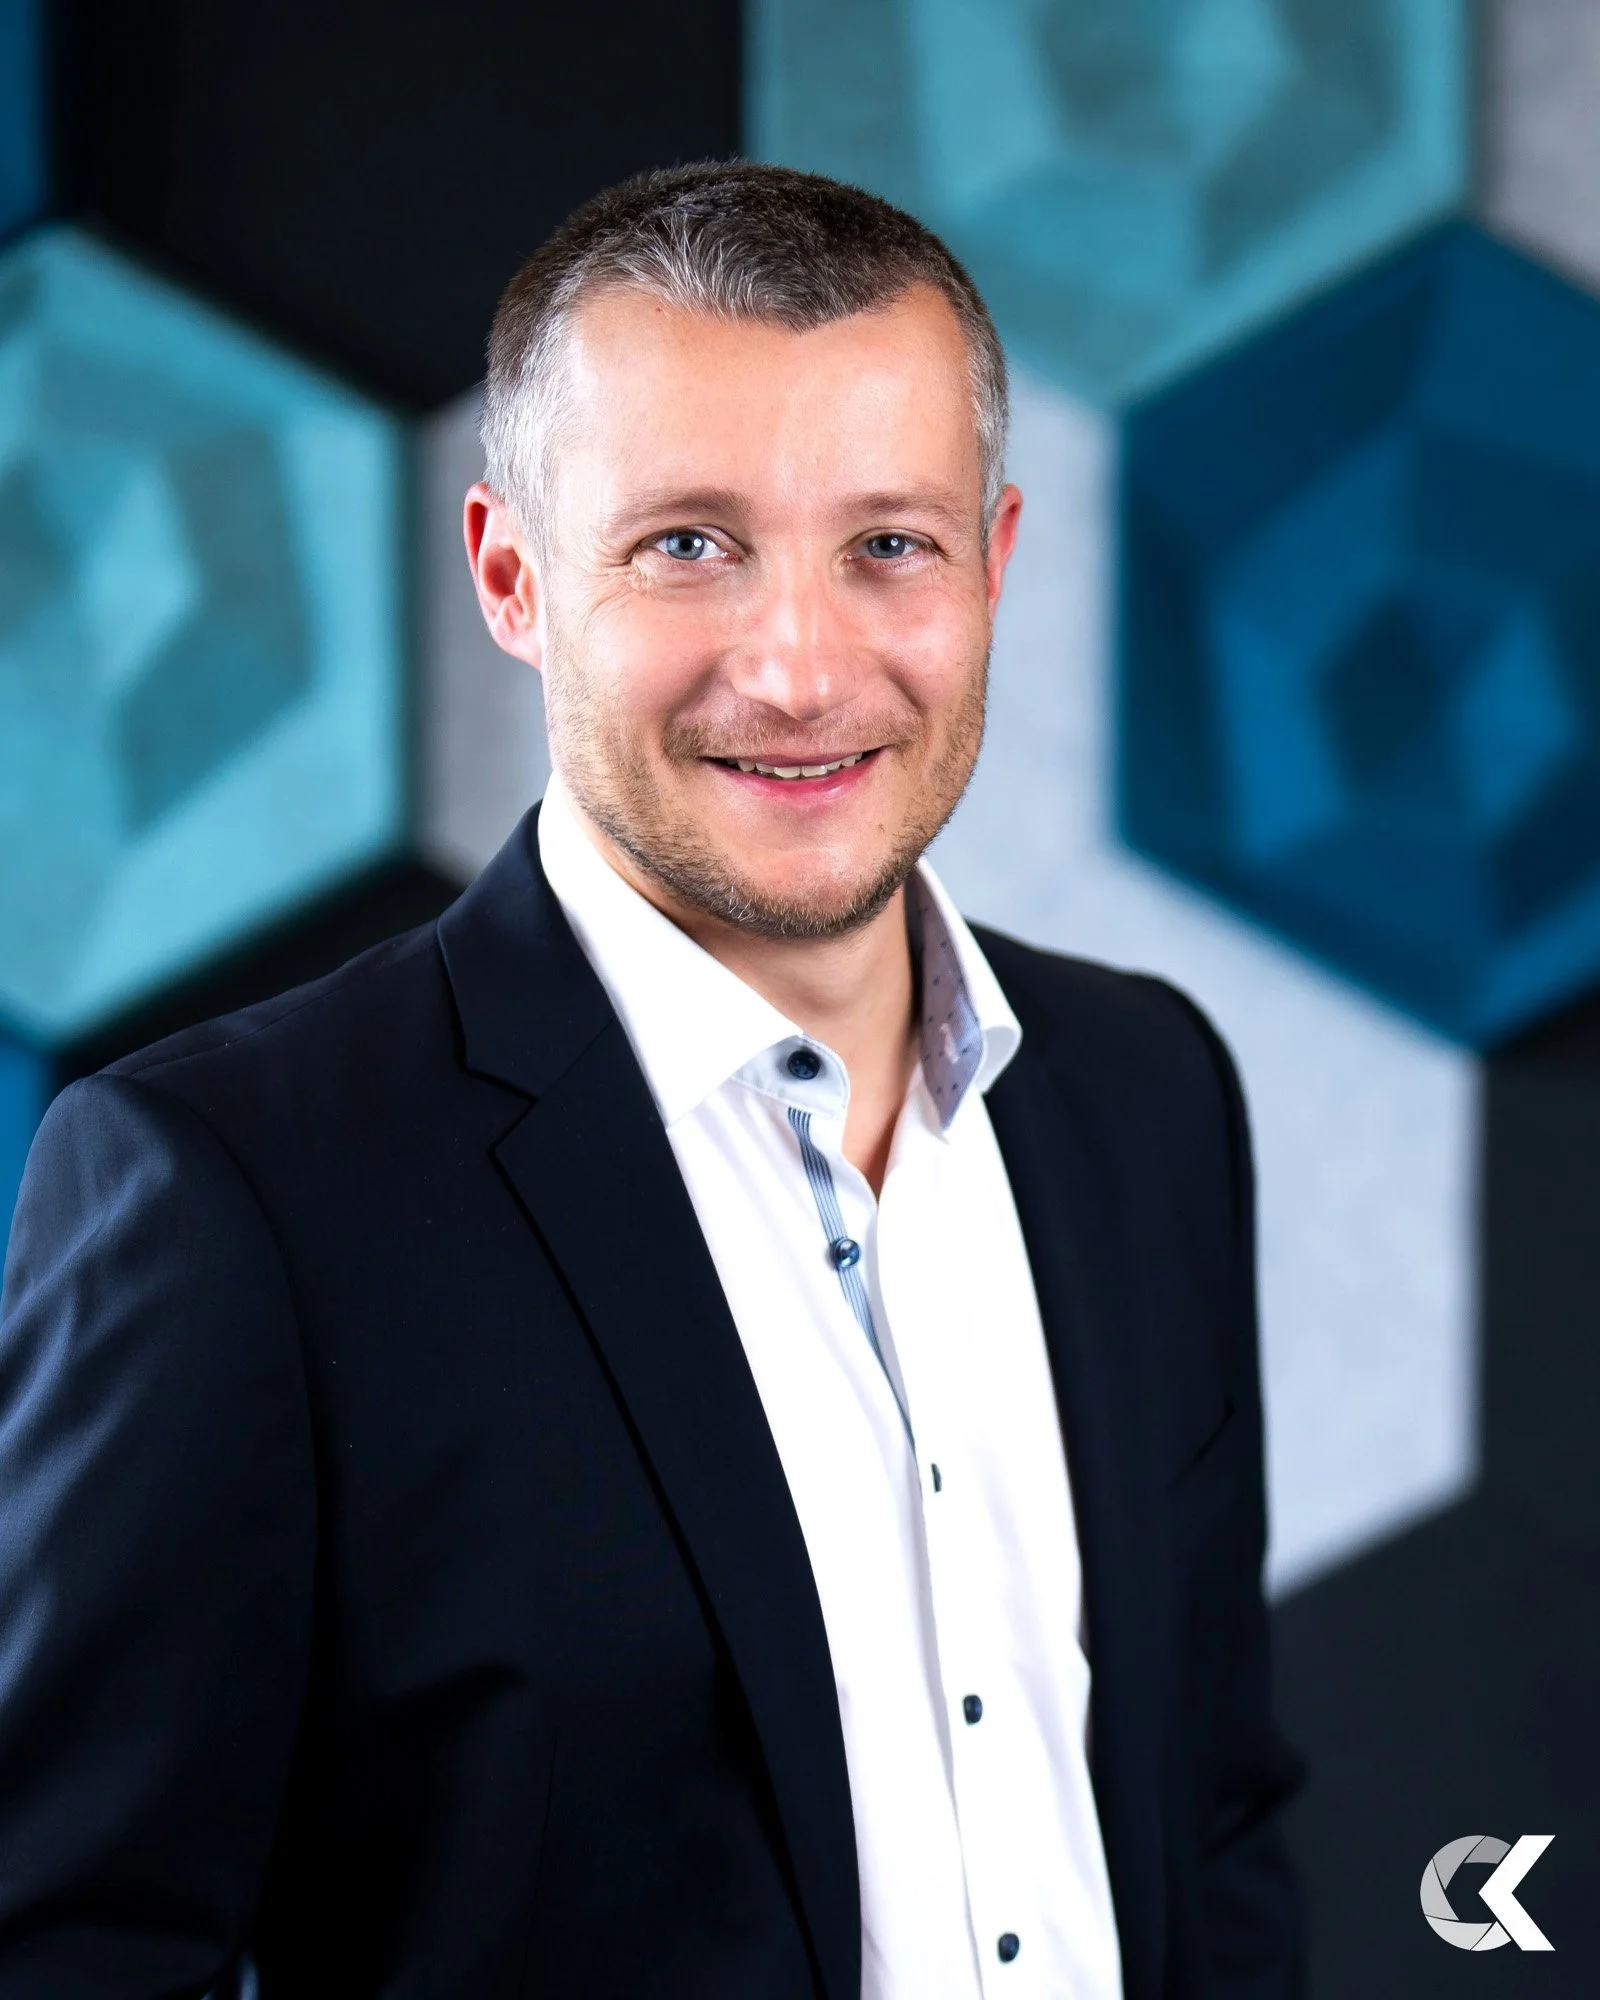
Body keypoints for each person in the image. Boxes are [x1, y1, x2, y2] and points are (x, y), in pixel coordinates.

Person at [0, 162, 1305, 1998]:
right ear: (513, 576)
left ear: (997, 560)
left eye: (889, 546)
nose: (799, 667)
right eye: (688, 544)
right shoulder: (234, 1195)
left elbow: (1212, 1816)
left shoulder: (1146, 1093)